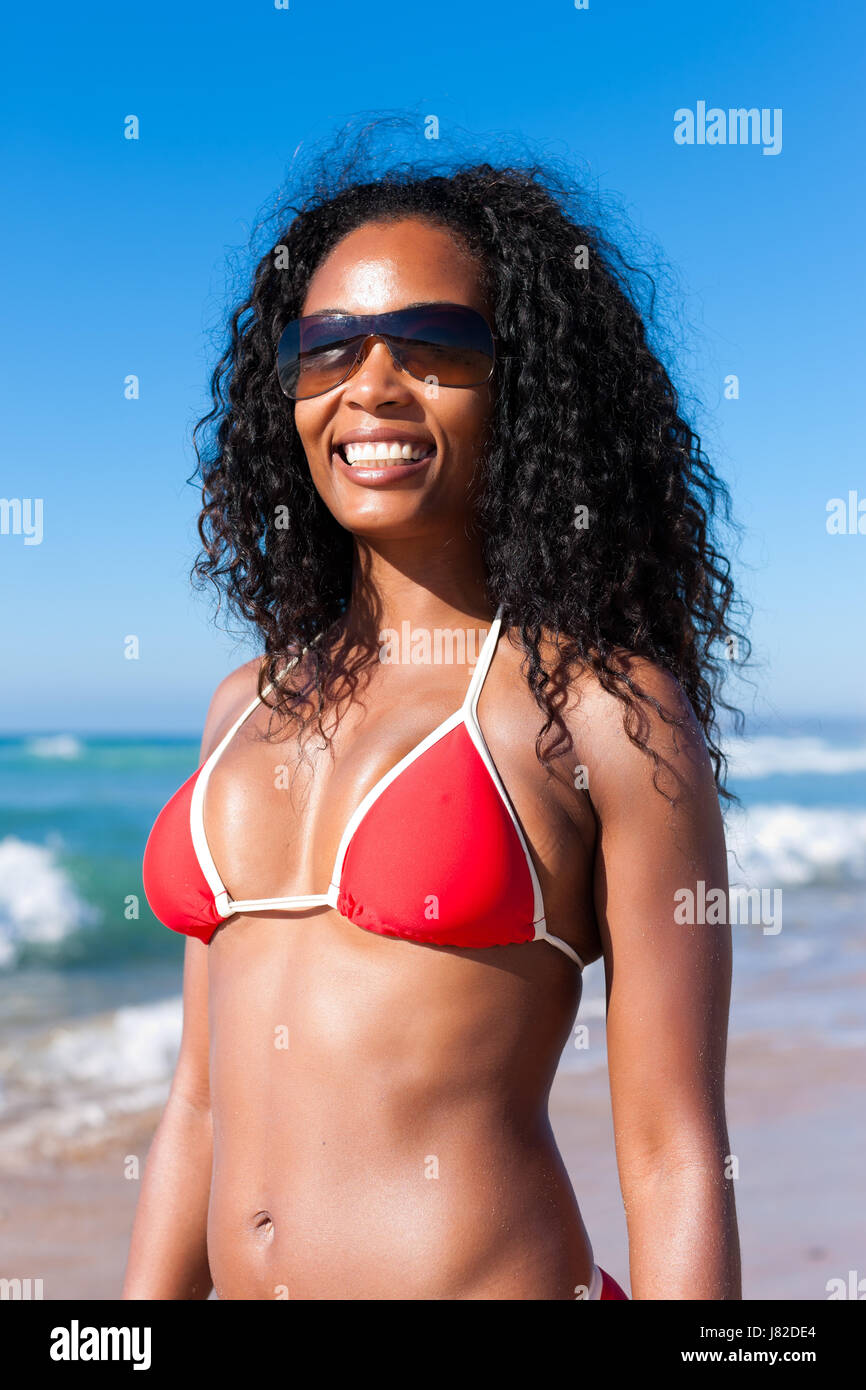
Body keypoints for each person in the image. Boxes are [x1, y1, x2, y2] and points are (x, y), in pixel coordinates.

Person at [123, 140, 743, 1300]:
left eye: (431, 345)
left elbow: (671, 1154)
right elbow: (199, 1103)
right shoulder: (240, 708)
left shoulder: (603, 711)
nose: (371, 386)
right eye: (327, 350)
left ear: (524, 380)